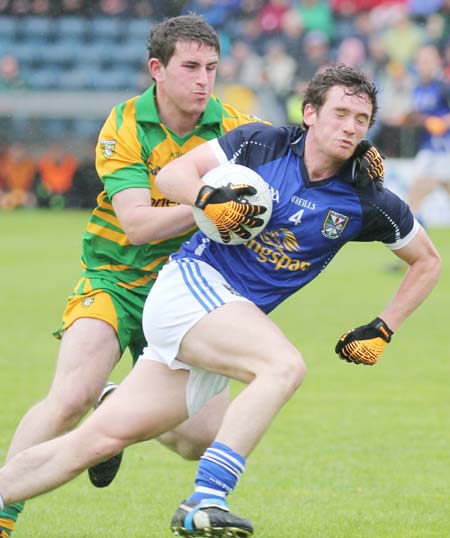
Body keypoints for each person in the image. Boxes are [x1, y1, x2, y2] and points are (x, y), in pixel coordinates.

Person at [0, 66, 440, 537]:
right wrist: (209, 198)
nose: (350, 126)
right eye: (340, 113)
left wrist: (384, 326)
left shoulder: (365, 198)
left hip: (224, 321)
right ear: (310, 113)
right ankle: (207, 498)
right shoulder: (261, 144)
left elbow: (428, 261)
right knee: (282, 366)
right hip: (191, 286)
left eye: (361, 118)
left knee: (99, 440)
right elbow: (172, 175)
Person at [0, 14, 268, 538]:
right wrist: (211, 208)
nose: (203, 80)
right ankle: (4, 510)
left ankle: (115, 404)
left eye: (211, 68)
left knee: (198, 439)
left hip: (191, 291)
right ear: (157, 70)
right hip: (115, 279)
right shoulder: (124, 123)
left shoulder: (238, 129)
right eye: (190, 66)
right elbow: (138, 224)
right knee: (70, 397)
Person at [404, 43, 450, 223]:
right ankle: (416, 230)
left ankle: (415, 232)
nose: (424, 64)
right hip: (429, 147)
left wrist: (443, 122)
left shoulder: (443, 87)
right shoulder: (417, 89)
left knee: (415, 194)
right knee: (416, 194)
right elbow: (421, 117)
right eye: (420, 60)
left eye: (428, 60)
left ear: (438, 62)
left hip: (443, 148)